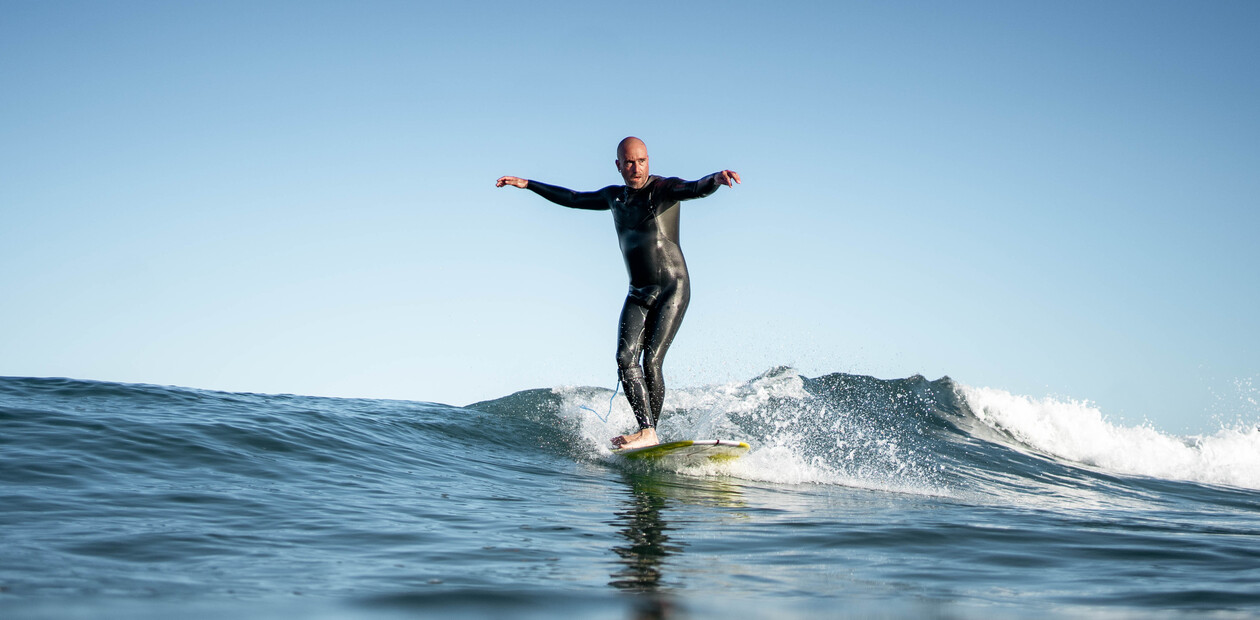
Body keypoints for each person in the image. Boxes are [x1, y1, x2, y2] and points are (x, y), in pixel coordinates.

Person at [496, 137, 740, 449]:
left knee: (651, 361)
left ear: (648, 160)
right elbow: (573, 197)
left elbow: (694, 188)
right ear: (618, 166)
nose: (635, 168)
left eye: (641, 161)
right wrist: (528, 184)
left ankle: (649, 431)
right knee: (625, 359)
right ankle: (647, 430)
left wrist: (716, 180)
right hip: (638, 292)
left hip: (672, 287)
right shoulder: (615, 198)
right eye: (628, 162)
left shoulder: (663, 188)